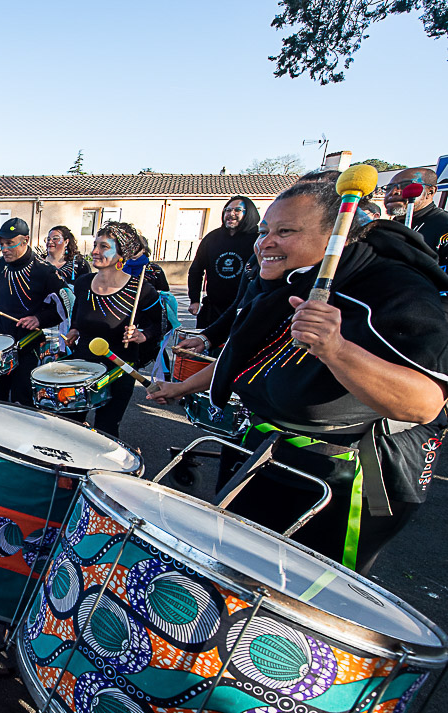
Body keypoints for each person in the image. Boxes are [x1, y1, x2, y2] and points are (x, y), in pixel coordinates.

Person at [148, 181, 448, 574]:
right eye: (264, 231)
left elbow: (424, 404)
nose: (265, 243)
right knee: (233, 571)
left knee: (302, 592)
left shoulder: (394, 288)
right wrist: (181, 387)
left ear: (337, 236)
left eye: (285, 231)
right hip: (263, 448)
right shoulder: (279, 281)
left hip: (344, 474)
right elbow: (243, 355)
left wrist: (336, 349)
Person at [64, 222, 162, 438]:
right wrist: (74, 330)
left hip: (119, 369)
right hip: (82, 366)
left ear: (122, 254)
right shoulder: (83, 283)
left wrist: (142, 335)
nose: (95, 251)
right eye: (95, 245)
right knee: (70, 426)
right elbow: (78, 314)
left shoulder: (142, 291)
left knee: (106, 430)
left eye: (104, 246)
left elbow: (159, 325)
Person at [0, 218, 63, 405]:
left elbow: (65, 307)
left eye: (10, 243)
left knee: (22, 399)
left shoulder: (44, 271)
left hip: (28, 345)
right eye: (2, 244)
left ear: (25, 240)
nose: (4, 249)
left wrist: (39, 319)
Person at [186, 197, 260, 328]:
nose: (231, 214)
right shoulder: (212, 238)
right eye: (228, 210)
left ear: (249, 213)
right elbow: (196, 270)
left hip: (245, 308)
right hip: (214, 308)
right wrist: (194, 299)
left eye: (237, 210)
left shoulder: (258, 240)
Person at [383, 168, 448, 267]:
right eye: (389, 188)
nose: (393, 192)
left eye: (406, 185)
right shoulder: (384, 228)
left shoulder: (444, 225)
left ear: (430, 192)